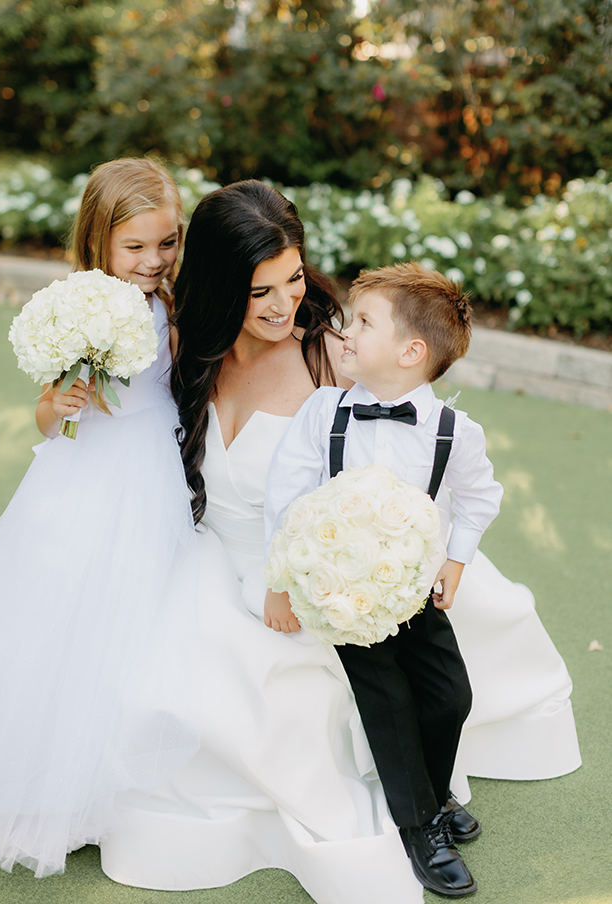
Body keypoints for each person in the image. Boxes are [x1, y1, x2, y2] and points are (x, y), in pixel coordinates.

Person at [99, 181, 580, 903]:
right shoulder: (180, 348)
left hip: (323, 571)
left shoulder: (334, 357)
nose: (284, 303)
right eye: (260, 289)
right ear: (223, 286)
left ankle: (425, 808)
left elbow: (400, 468)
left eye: (294, 279)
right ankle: (421, 806)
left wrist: (360, 567)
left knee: (402, 686)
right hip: (208, 562)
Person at [0, 157, 198, 878]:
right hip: (83, 472)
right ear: (99, 241)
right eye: (137, 247)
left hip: (151, 466)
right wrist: (56, 406)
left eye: (166, 243)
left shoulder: (173, 306)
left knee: (142, 613)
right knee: (60, 616)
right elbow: (47, 405)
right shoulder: (78, 305)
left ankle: (120, 780)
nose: (154, 261)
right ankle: (48, 783)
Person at [264, 262, 503, 896]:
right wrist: (282, 581)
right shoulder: (324, 412)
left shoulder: (455, 433)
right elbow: (285, 498)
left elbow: (481, 498)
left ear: (410, 352)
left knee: (450, 695)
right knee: (390, 701)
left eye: (363, 322)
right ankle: (420, 824)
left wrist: (456, 559)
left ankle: (432, 790)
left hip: (415, 594)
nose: (344, 331)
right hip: (341, 598)